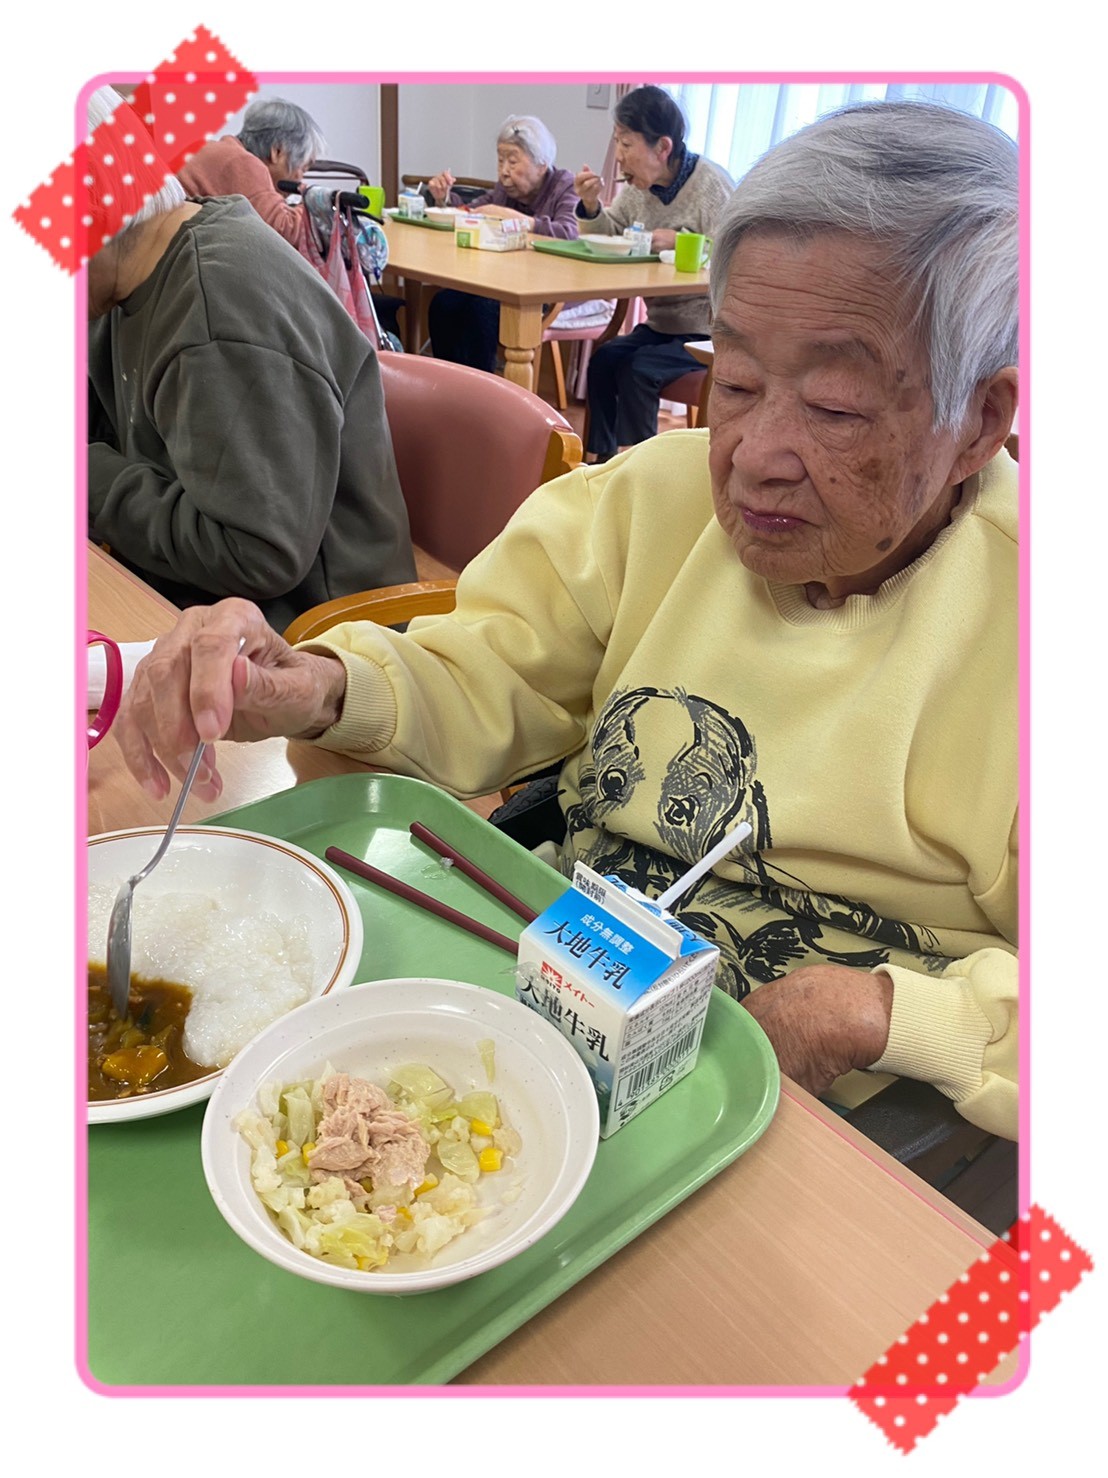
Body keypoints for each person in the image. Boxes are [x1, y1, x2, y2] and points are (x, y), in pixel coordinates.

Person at [112, 100, 1019, 1141]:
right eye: (735, 381)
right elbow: (487, 672)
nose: (755, 456)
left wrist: (878, 1012)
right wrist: (317, 684)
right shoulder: (650, 499)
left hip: (849, 1102)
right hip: (566, 973)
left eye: (836, 408)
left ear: (980, 421)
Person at [86, 85, 417, 633]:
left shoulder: (218, 314)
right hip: (195, 595)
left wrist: (85, 477)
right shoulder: (121, 284)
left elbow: (257, 553)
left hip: (311, 631)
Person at [574, 86, 734, 462]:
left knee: (638, 369)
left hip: (706, 330)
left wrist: (685, 243)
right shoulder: (638, 189)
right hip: (661, 325)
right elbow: (611, 235)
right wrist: (591, 205)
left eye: (626, 143)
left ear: (662, 147)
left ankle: (642, 468)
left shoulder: (712, 186)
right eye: (617, 141)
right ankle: (602, 462)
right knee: (604, 359)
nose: (619, 155)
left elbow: (737, 254)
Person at [426, 115, 579, 374]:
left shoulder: (564, 185)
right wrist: (444, 199)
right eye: (500, 160)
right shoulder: (505, 191)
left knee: (482, 309)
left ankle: (482, 391)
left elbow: (569, 233)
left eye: (513, 161)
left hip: (545, 292)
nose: (504, 170)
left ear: (541, 164)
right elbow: (471, 212)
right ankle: (450, 386)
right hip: (501, 285)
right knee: (444, 304)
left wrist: (520, 221)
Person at [176, 96, 325, 246]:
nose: (300, 178)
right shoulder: (244, 163)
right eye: (302, 168)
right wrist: (319, 202)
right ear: (277, 151)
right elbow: (284, 232)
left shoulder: (216, 151)